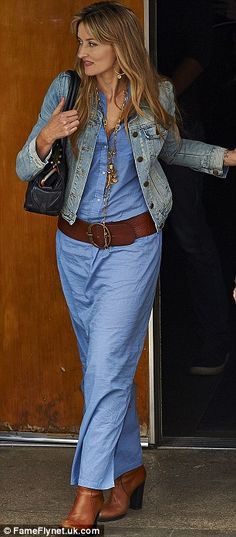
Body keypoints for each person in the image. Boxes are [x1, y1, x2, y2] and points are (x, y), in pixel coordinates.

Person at [15, 1, 236, 530]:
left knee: (108, 368)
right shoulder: (66, 90)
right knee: (100, 370)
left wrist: (225, 157)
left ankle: (88, 494)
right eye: (80, 42)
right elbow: (26, 163)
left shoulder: (154, 93)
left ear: (121, 44)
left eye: (93, 42)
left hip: (133, 247)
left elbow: (173, 150)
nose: (82, 52)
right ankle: (129, 471)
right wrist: (47, 137)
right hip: (74, 247)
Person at [157, 0, 231, 375]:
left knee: (188, 232)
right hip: (121, 121)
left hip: (175, 120)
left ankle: (215, 336)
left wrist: (160, 98)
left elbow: (201, 50)